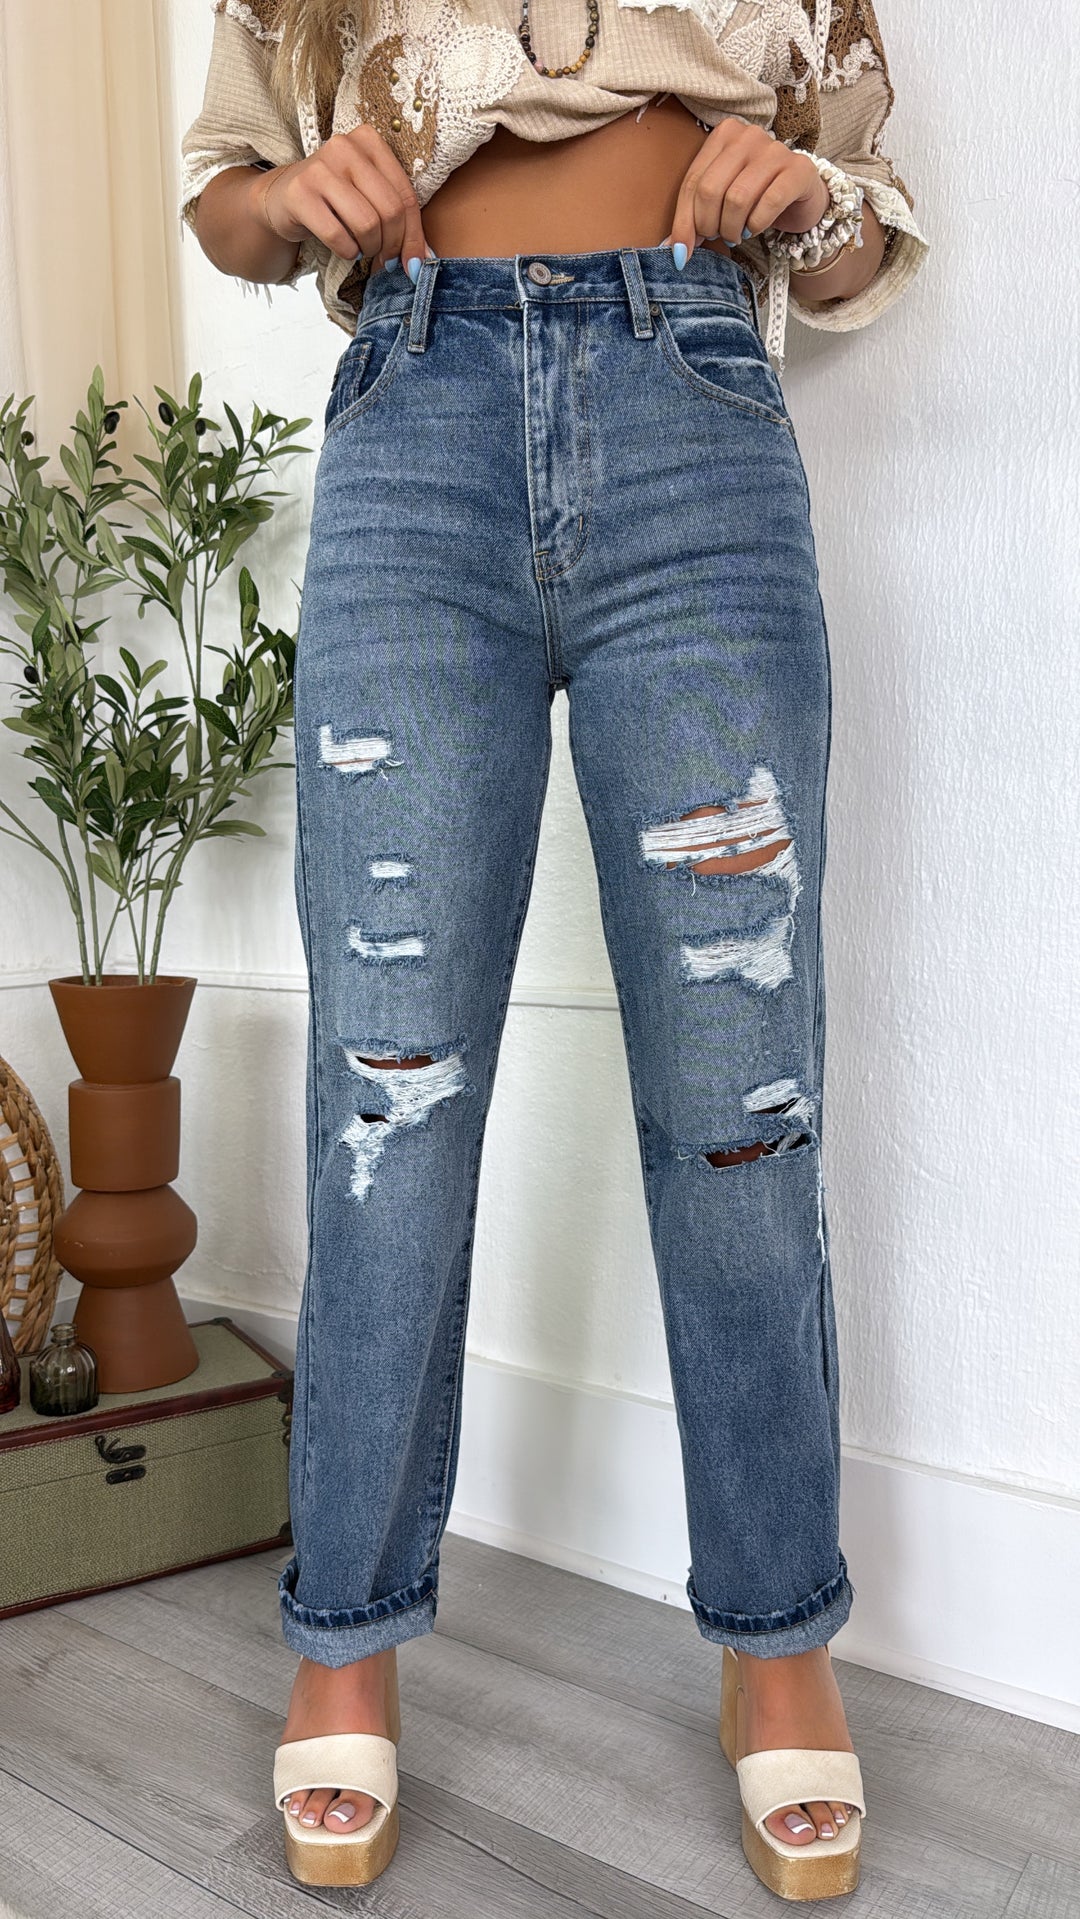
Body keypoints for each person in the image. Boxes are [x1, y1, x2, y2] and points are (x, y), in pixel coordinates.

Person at [180, 0, 928, 1900]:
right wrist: (292, 193)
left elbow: (862, 229)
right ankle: (346, 1635)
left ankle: (780, 1637)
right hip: (413, 417)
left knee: (742, 1097)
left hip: (697, 418)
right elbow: (224, 200)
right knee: (391, 1083)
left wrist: (805, 189)